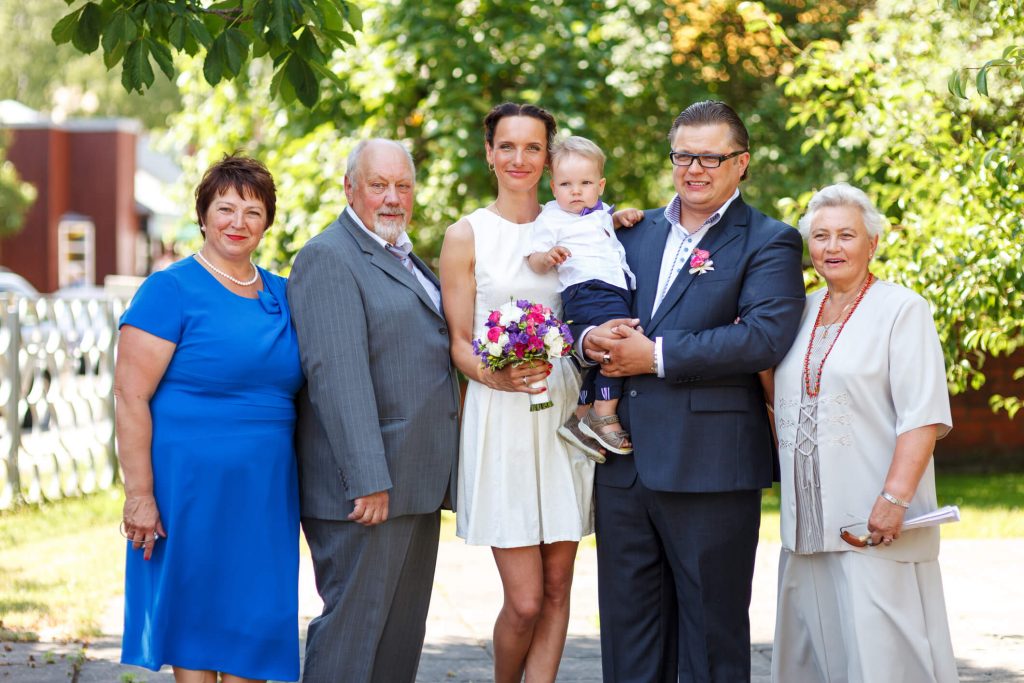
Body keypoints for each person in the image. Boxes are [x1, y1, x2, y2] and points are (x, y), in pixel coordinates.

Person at [581, 100, 805, 681]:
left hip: (711, 465)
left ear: (742, 163)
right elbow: (590, 301)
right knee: (628, 634)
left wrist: (654, 356)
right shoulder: (628, 233)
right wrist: (589, 340)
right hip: (624, 465)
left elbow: (762, 337)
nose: (694, 168)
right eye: (684, 155)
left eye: (711, 156)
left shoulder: (769, 241)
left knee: (710, 632)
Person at [115, 155, 302, 682]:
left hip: (265, 494)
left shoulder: (286, 294)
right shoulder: (168, 290)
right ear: (202, 216)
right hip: (188, 490)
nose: (237, 222)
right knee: (195, 628)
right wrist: (140, 495)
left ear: (267, 222)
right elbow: (129, 396)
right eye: (225, 208)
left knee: (256, 625)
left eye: (252, 211)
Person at [288, 138, 460, 683]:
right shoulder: (329, 257)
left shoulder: (403, 255)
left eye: (402, 186)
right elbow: (337, 377)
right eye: (378, 185)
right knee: (351, 642)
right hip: (367, 490)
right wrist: (368, 478)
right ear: (349, 189)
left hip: (412, 481)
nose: (392, 198)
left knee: (396, 644)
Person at [770, 183, 958, 682]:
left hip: (872, 523)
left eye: (846, 235)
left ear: (872, 243)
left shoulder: (902, 310)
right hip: (805, 528)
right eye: (821, 236)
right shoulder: (797, 311)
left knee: (882, 659)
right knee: (810, 660)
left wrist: (894, 501)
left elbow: (922, 415)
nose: (832, 247)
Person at [439, 103, 596, 683]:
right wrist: (495, 375)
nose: (520, 159)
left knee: (558, 588)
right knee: (526, 599)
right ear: (489, 153)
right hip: (500, 411)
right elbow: (457, 342)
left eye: (533, 148)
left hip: (560, 412)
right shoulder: (466, 234)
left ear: (549, 158)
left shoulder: (577, 223)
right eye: (507, 146)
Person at [525, 135, 643, 461]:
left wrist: (618, 219)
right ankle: (603, 413)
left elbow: (603, 229)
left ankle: (580, 416)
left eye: (585, 182)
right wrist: (548, 257)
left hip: (614, 288)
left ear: (600, 185)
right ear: (553, 187)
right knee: (619, 343)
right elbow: (532, 257)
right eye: (566, 184)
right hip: (587, 289)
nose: (576, 191)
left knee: (608, 350)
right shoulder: (551, 218)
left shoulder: (600, 213)